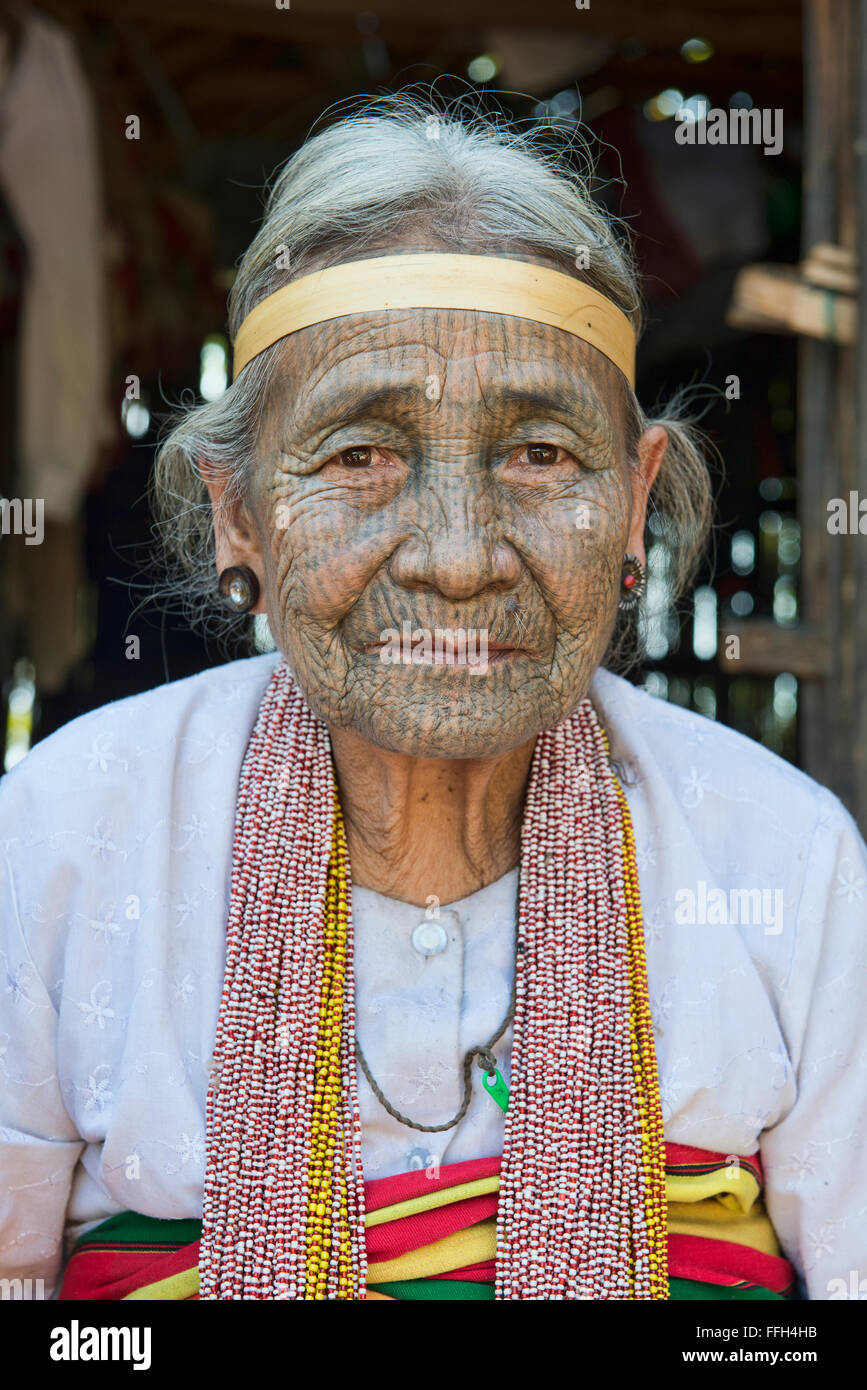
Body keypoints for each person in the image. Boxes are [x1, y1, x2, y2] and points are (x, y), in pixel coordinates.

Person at [2, 94, 866, 1302]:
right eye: (360, 456)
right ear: (239, 511)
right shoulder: (59, 842)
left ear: (632, 500)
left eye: (540, 454)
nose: (456, 557)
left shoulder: (785, 859)